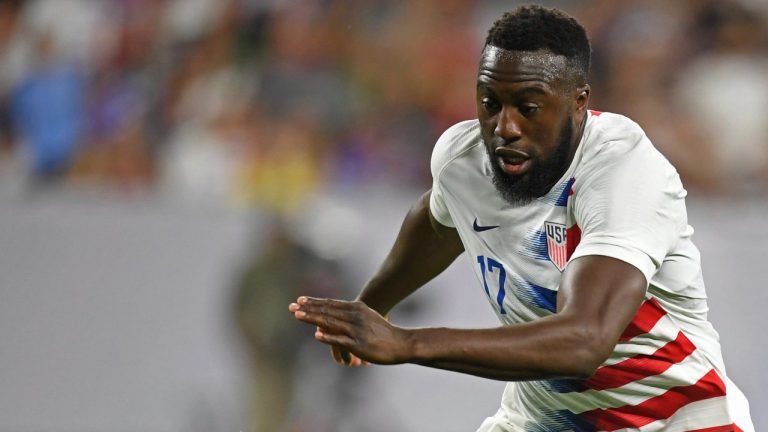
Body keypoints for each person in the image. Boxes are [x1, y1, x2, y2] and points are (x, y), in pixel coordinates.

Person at [289, 5, 754, 431]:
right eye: (490, 103)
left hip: (674, 416)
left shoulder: (624, 170)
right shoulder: (464, 159)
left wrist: (405, 343)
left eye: (529, 108)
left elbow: (584, 341)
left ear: (579, 102)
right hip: (545, 418)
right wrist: (371, 305)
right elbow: (437, 222)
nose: (504, 127)